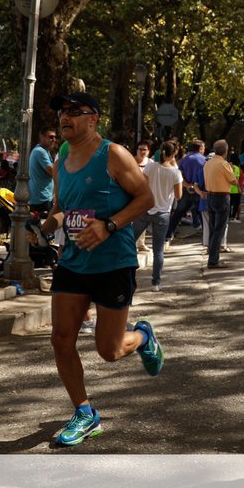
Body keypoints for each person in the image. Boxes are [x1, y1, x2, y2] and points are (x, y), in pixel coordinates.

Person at [39, 91, 159, 447]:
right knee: (61, 339)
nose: (65, 117)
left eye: (74, 111)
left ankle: (143, 336)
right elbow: (61, 207)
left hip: (113, 263)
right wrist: (46, 227)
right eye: (62, 112)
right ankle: (85, 413)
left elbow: (146, 198)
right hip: (74, 262)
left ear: (93, 119)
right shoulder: (62, 155)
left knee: (109, 350)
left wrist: (109, 225)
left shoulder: (113, 154)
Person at [134, 139, 182, 291]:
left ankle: (127, 275)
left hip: (145, 209)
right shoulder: (176, 173)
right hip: (162, 213)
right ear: (174, 154)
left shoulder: (151, 166)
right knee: (158, 249)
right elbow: (179, 196)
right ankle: (156, 283)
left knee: (129, 241)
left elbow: (142, 184)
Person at [166, 139, 206, 243]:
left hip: (186, 190)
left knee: (178, 214)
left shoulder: (185, 159)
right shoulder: (204, 160)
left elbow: (179, 174)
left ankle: (168, 235)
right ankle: (206, 236)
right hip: (199, 190)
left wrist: (187, 185)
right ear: (201, 148)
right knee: (201, 214)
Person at [202, 139, 234, 269]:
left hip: (210, 196)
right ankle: (213, 260)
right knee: (219, 230)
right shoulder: (224, 164)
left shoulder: (208, 163)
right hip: (221, 197)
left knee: (212, 228)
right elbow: (233, 180)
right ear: (225, 151)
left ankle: (212, 256)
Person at [28, 128, 57, 218]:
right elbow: (54, 172)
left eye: (55, 137)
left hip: (41, 198)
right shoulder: (40, 152)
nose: (54, 140)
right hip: (42, 199)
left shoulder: (42, 151)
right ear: (42, 137)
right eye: (51, 137)